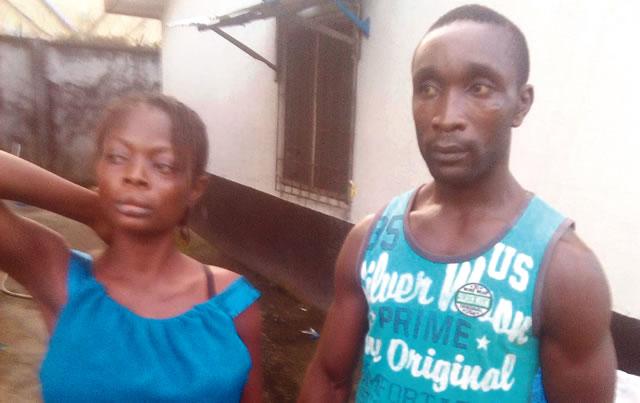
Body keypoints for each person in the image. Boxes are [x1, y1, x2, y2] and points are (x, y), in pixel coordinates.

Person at [298, 4, 616, 403]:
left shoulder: (564, 271)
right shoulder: (372, 241)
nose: (446, 117)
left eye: (479, 87)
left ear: (521, 104)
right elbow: (328, 379)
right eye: (428, 88)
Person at [0, 93, 262, 402]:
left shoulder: (230, 302)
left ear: (195, 187)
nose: (135, 176)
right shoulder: (57, 277)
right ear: (98, 169)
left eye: (163, 165)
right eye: (116, 157)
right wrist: (91, 209)